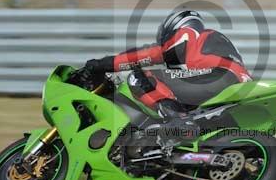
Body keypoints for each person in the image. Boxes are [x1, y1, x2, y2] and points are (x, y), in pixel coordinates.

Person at [75, 9, 252, 141]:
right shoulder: (214, 41)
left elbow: (138, 57)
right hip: (237, 87)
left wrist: (99, 65)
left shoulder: (188, 34)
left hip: (214, 78)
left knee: (138, 75)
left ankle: (180, 121)